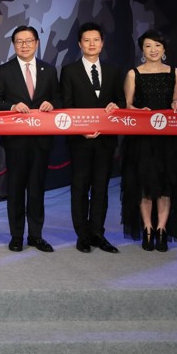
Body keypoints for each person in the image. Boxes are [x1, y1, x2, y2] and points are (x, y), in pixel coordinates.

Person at [0, 26, 61, 253]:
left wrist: (52, 104)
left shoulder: (49, 70)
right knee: (16, 188)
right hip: (15, 141)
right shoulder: (4, 71)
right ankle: (17, 235)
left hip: (41, 140)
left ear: (37, 43)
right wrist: (11, 106)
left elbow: (59, 99)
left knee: (37, 188)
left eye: (29, 41)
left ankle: (36, 235)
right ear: (13, 45)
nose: (24, 45)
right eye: (19, 41)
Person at [120, 29, 177, 252]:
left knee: (166, 185)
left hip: (168, 138)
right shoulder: (133, 73)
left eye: (157, 45)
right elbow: (127, 105)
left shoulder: (174, 73)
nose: (153, 50)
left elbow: (176, 99)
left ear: (164, 49)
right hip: (142, 138)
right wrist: (139, 111)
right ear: (142, 49)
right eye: (148, 46)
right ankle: (147, 228)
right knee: (144, 186)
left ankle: (162, 228)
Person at [60, 22, 125, 253]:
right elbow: (65, 107)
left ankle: (98, 232)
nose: (91, 44)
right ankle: (82, 235)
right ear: (80, 44)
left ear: (102, 43)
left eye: (95, 40)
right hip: (80, 141)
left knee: (101, 188)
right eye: (86, 40)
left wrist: (115, 106)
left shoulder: (113, 70)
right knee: (79, 188)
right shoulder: (69, 71)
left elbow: (122, 102)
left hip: (106, 141)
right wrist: (81, 129)